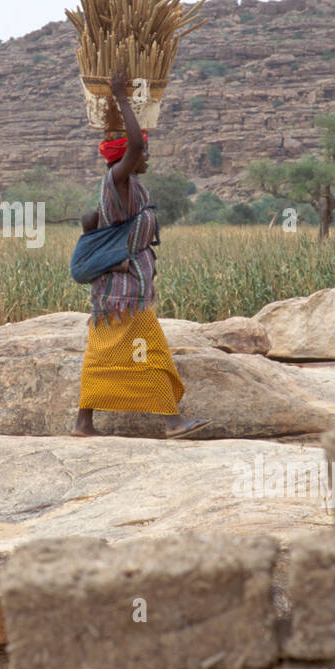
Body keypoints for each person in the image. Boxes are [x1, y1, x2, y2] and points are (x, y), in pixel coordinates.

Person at [72, 67, 209, 439]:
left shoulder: (126, 187)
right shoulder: (119, 181)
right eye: (142, 151)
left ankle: (84, 423)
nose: (146, 154)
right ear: (125, 159)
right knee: (151, 352)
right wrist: (119, 96)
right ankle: (172, 421)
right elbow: (132, 145)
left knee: (102, 354)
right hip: (124, 296)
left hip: (115, 295)